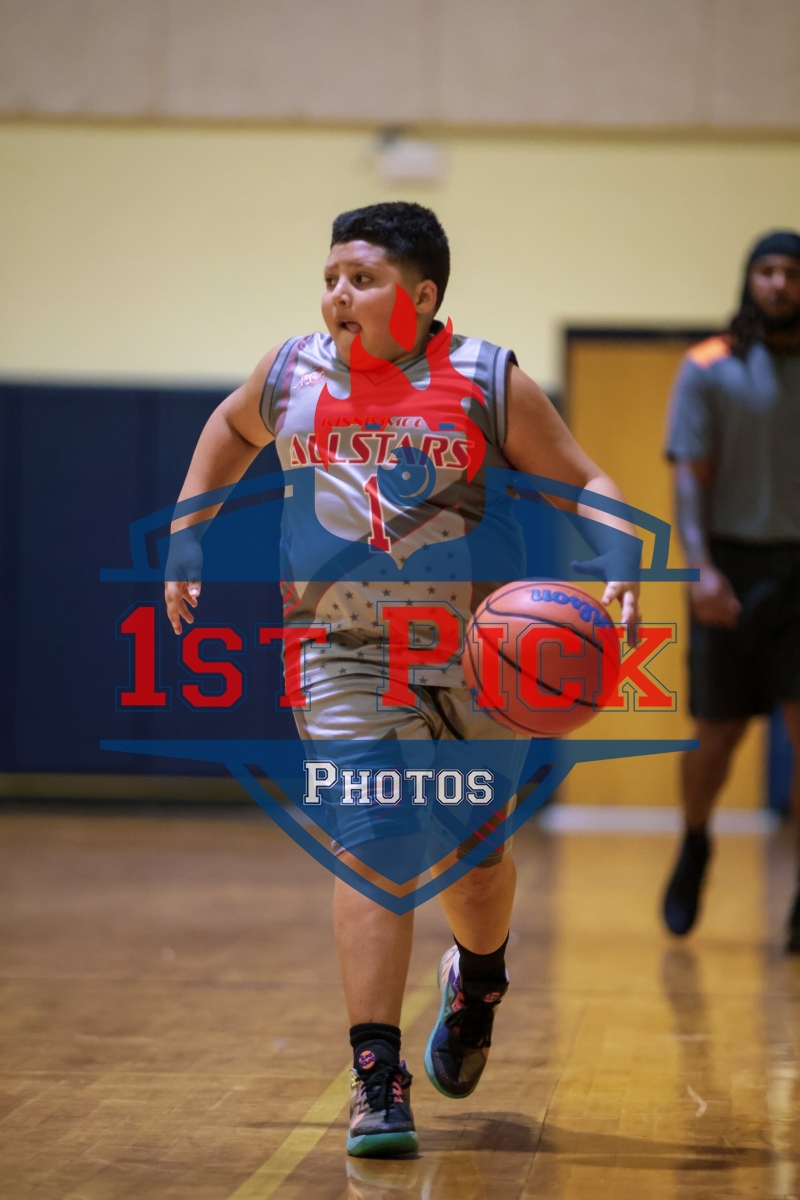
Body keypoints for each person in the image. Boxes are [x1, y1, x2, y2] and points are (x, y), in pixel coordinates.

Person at [164, 202, 641, 1157]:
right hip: (339, 649)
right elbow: (228, 424)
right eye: (331, 278)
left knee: (476, 861)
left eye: (363, 279)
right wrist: (189, 528)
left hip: (478, 655)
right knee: (376, 840)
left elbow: (588, 480)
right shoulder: (292, 371)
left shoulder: (487, 378)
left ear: (421, 298)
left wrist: (620, 556)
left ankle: (479, 980)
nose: (339, 295)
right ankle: (377, 1078)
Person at [662, 230, 800, 951]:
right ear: (750, 280)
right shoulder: (710, 364)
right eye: (767, 271)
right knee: (717, 738)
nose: (779, 283)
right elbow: (690, 474)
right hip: (732, 566)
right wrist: (701, 567)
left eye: (792, 273)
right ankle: (695, 840)